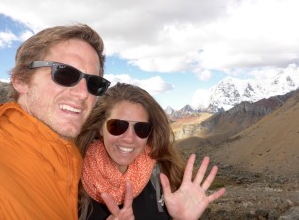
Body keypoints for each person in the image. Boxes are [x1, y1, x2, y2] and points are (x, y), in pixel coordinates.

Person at [0, 24, 111, 220]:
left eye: (94, 83)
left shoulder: (68, 156)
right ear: (21, 80)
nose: (84, 93)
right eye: (65, 73)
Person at [76, 82, 226, 220]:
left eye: (141, 129)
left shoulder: (166, 176)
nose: (129, 138)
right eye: (117, 126)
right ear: (101, 129)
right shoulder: (72, 178)